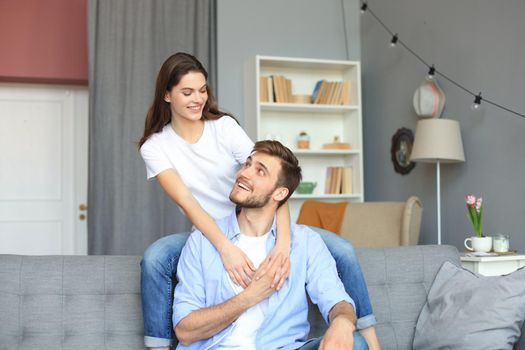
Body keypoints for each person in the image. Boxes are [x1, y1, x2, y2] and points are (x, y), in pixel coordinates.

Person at [139, 52, 380, 349]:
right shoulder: (156, 146)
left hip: (255, 217)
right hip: (210, 229)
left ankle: (370, 336)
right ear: (167, 94)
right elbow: (188, 202)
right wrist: (226, 248)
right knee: (155, 259)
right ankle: (158, 345)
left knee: (342, 249)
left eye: (202, 90)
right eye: (187, 92)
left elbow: (273, 180)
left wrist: (282, 245)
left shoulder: (223, 127)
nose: (197, 99)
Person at [173, 140, 368, 350]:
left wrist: (342, 322)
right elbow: (184, 330)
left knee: (355, 343)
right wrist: (250, 297)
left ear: (279, 193)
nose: (244, 173)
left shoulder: (305, 243)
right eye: (247, 165)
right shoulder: (202, 242)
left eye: (260, 171)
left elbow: (336, 300)